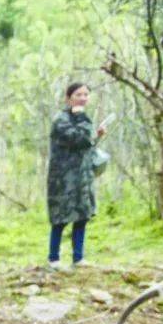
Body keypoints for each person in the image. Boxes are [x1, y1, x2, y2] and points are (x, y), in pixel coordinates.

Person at [47, 82, 106, 269]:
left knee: (83, 216)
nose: (83, 98)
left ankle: (78, 258)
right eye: (79, 94)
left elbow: (86, 144)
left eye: (86, 95)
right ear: (68, 97)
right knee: (60, 218)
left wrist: (96, 137)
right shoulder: (61, 120)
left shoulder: (80, 119)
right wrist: (81, 117)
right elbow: (78, 139)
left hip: (82, 178)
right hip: (63, 180)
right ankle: (54, 258)